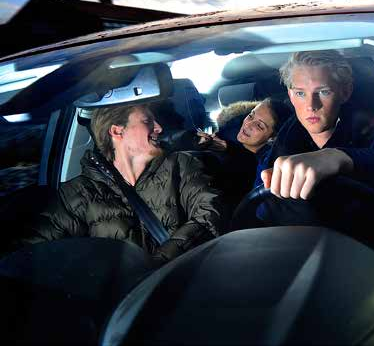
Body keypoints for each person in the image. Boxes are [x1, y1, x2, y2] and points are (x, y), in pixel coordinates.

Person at [232, 50, 374, 239]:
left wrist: (338, 157)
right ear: (290, 95)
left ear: (345, 92)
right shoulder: (278, 147)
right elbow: (258, 209)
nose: (311, 105)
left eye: (323, 92)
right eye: (300, 93)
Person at [20, 104, 223, 265]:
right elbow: (32, 254)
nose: (159, 128)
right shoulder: (77, 194)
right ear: (117, 131)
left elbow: (209, 215)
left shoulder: (181, 165)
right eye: (147, 121)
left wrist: (156, 266)